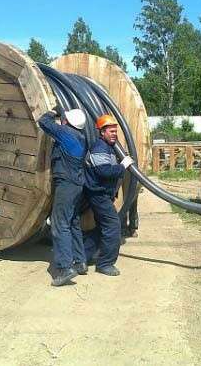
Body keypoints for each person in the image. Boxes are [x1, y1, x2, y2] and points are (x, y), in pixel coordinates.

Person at [38, 108, 88, 287]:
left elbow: (43, 122)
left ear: (67, 121)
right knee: (72, 221)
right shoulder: (81, 136)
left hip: (66, 184)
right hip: (77, 185)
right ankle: (80, 261)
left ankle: (65, 268)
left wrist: (53, 111)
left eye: (64, 118)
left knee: (59, 224)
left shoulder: (65, 133)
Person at [83, 114, 134, 276]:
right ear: (101, 132)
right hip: (98, 195)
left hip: (103, 195)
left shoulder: (108, 147)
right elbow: (104, 171)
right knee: (113, 226)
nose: (114, 134)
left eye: (115, 131)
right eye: (110, 131)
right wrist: (122, 166)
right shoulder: (99, 148)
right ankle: (105, 264)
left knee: (102, 228)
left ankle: (83, 256)